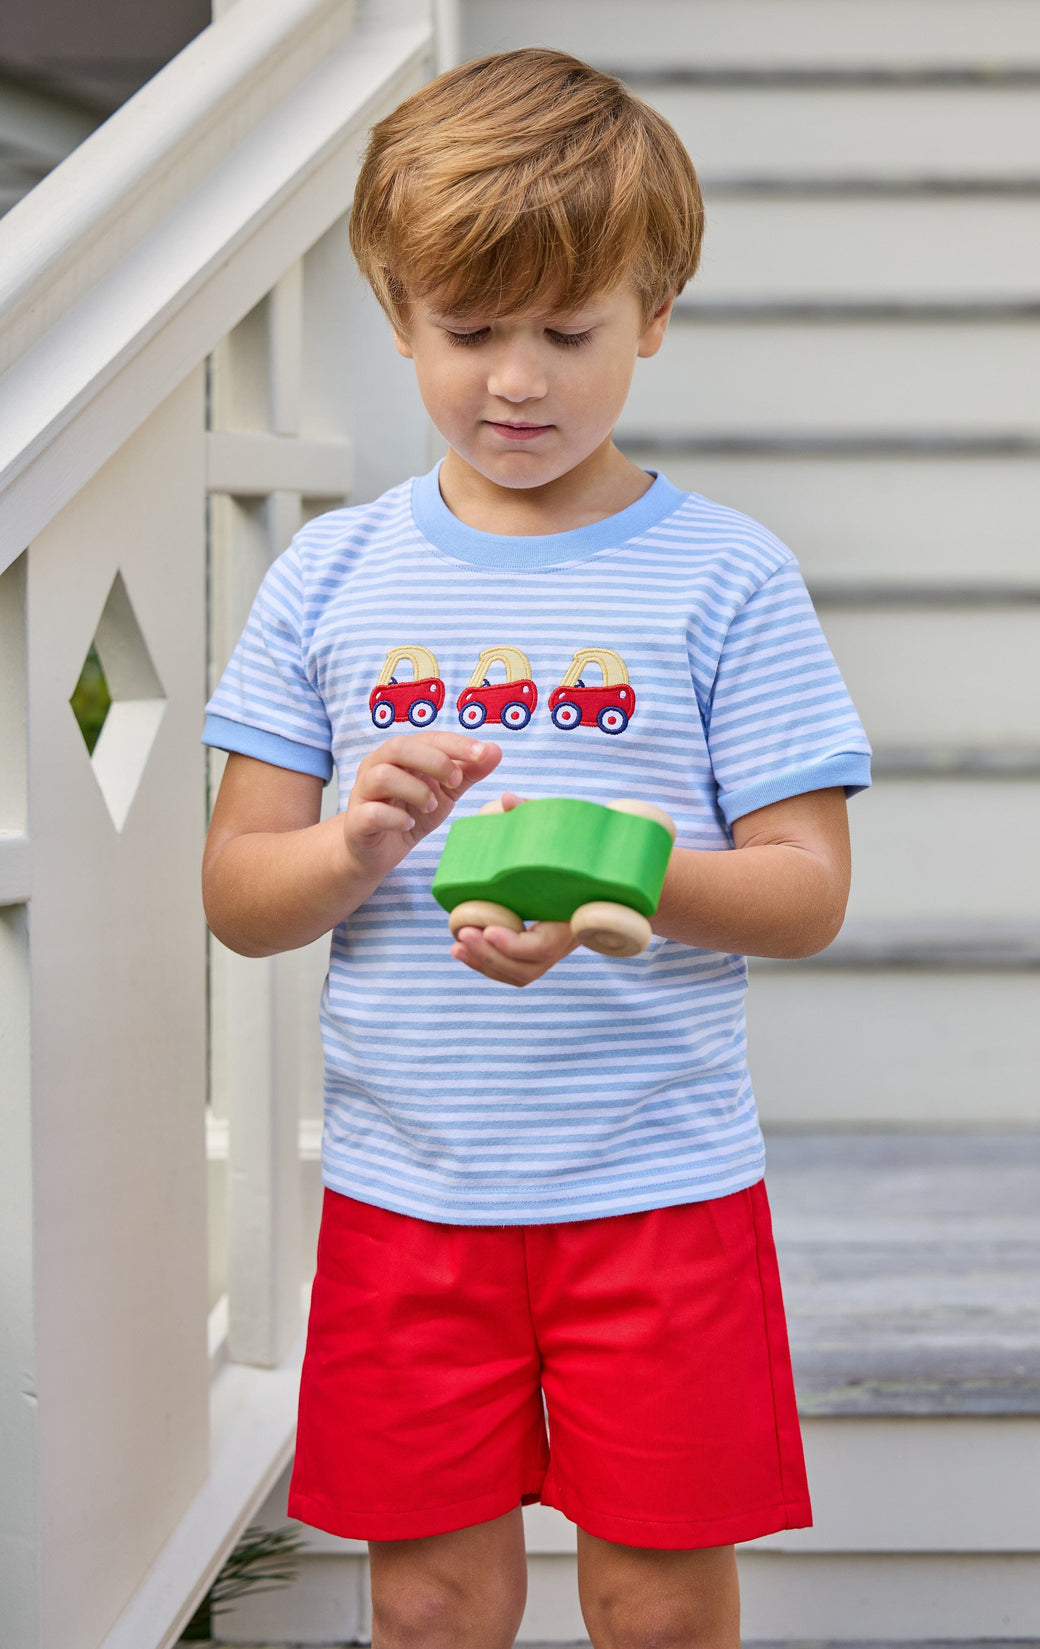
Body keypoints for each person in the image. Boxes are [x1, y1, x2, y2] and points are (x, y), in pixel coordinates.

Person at [202, 47, 871, 1649]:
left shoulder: (726, 578)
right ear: (396, 312)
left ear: (653, 315)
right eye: (470, 329)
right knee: (430, 1601)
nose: (518, 378)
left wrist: (625, 871)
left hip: (659, 1190)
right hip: (409, 1194)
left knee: (655, 1602)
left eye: (569, 332)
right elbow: (239, 892)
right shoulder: (330, 578)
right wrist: (358, 840)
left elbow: (807, 890)